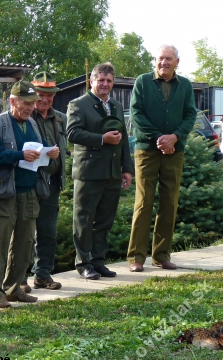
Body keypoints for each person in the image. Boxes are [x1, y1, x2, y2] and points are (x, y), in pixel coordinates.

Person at [127, 45, 196, 272]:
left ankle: (162, 255)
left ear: (177, 61)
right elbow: (136, 113)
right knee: (144, 201)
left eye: (169, 59)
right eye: (160, 58)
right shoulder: (143, 82)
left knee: (169, 202)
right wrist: (159, 138)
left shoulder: (185, 85)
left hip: (175, 151)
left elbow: (190, 114)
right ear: (154, 61)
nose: (163, 62)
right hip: (147, 150)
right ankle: (136, 257)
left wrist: (174, 138)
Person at [67, 62, 133, 280]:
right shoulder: (78, 104)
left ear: (113, 83)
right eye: (101, 80)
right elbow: (73, 133)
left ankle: (98, 261)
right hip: (89, 171)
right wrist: (101, 139)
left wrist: (127, 169)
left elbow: (123, 141)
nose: (105, 84)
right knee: (84, 220)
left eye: (109, 81)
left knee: (105, 220)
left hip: (112, 172)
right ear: (91, 81)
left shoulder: (115, 105)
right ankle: (83, 263)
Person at [0, 80, 43, 308]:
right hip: (4, 192)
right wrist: (19, 155)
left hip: (28, 191)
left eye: (32, 103)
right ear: (12, 101)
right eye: (26, 103)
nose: (30, 107)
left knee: (25, 242)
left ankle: (14, 288)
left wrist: (51, 151)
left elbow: (40, 147)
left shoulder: (32, 123)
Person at [20, 72, 67, 292]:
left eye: (49, 95)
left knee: (47, 232)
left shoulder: (60, 118)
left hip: (52, 184)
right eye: (40, 94)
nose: (44, 99)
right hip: (30, 181)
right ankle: (19, 277)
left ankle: (43, 274)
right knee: (24, 231)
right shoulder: (24, 116)